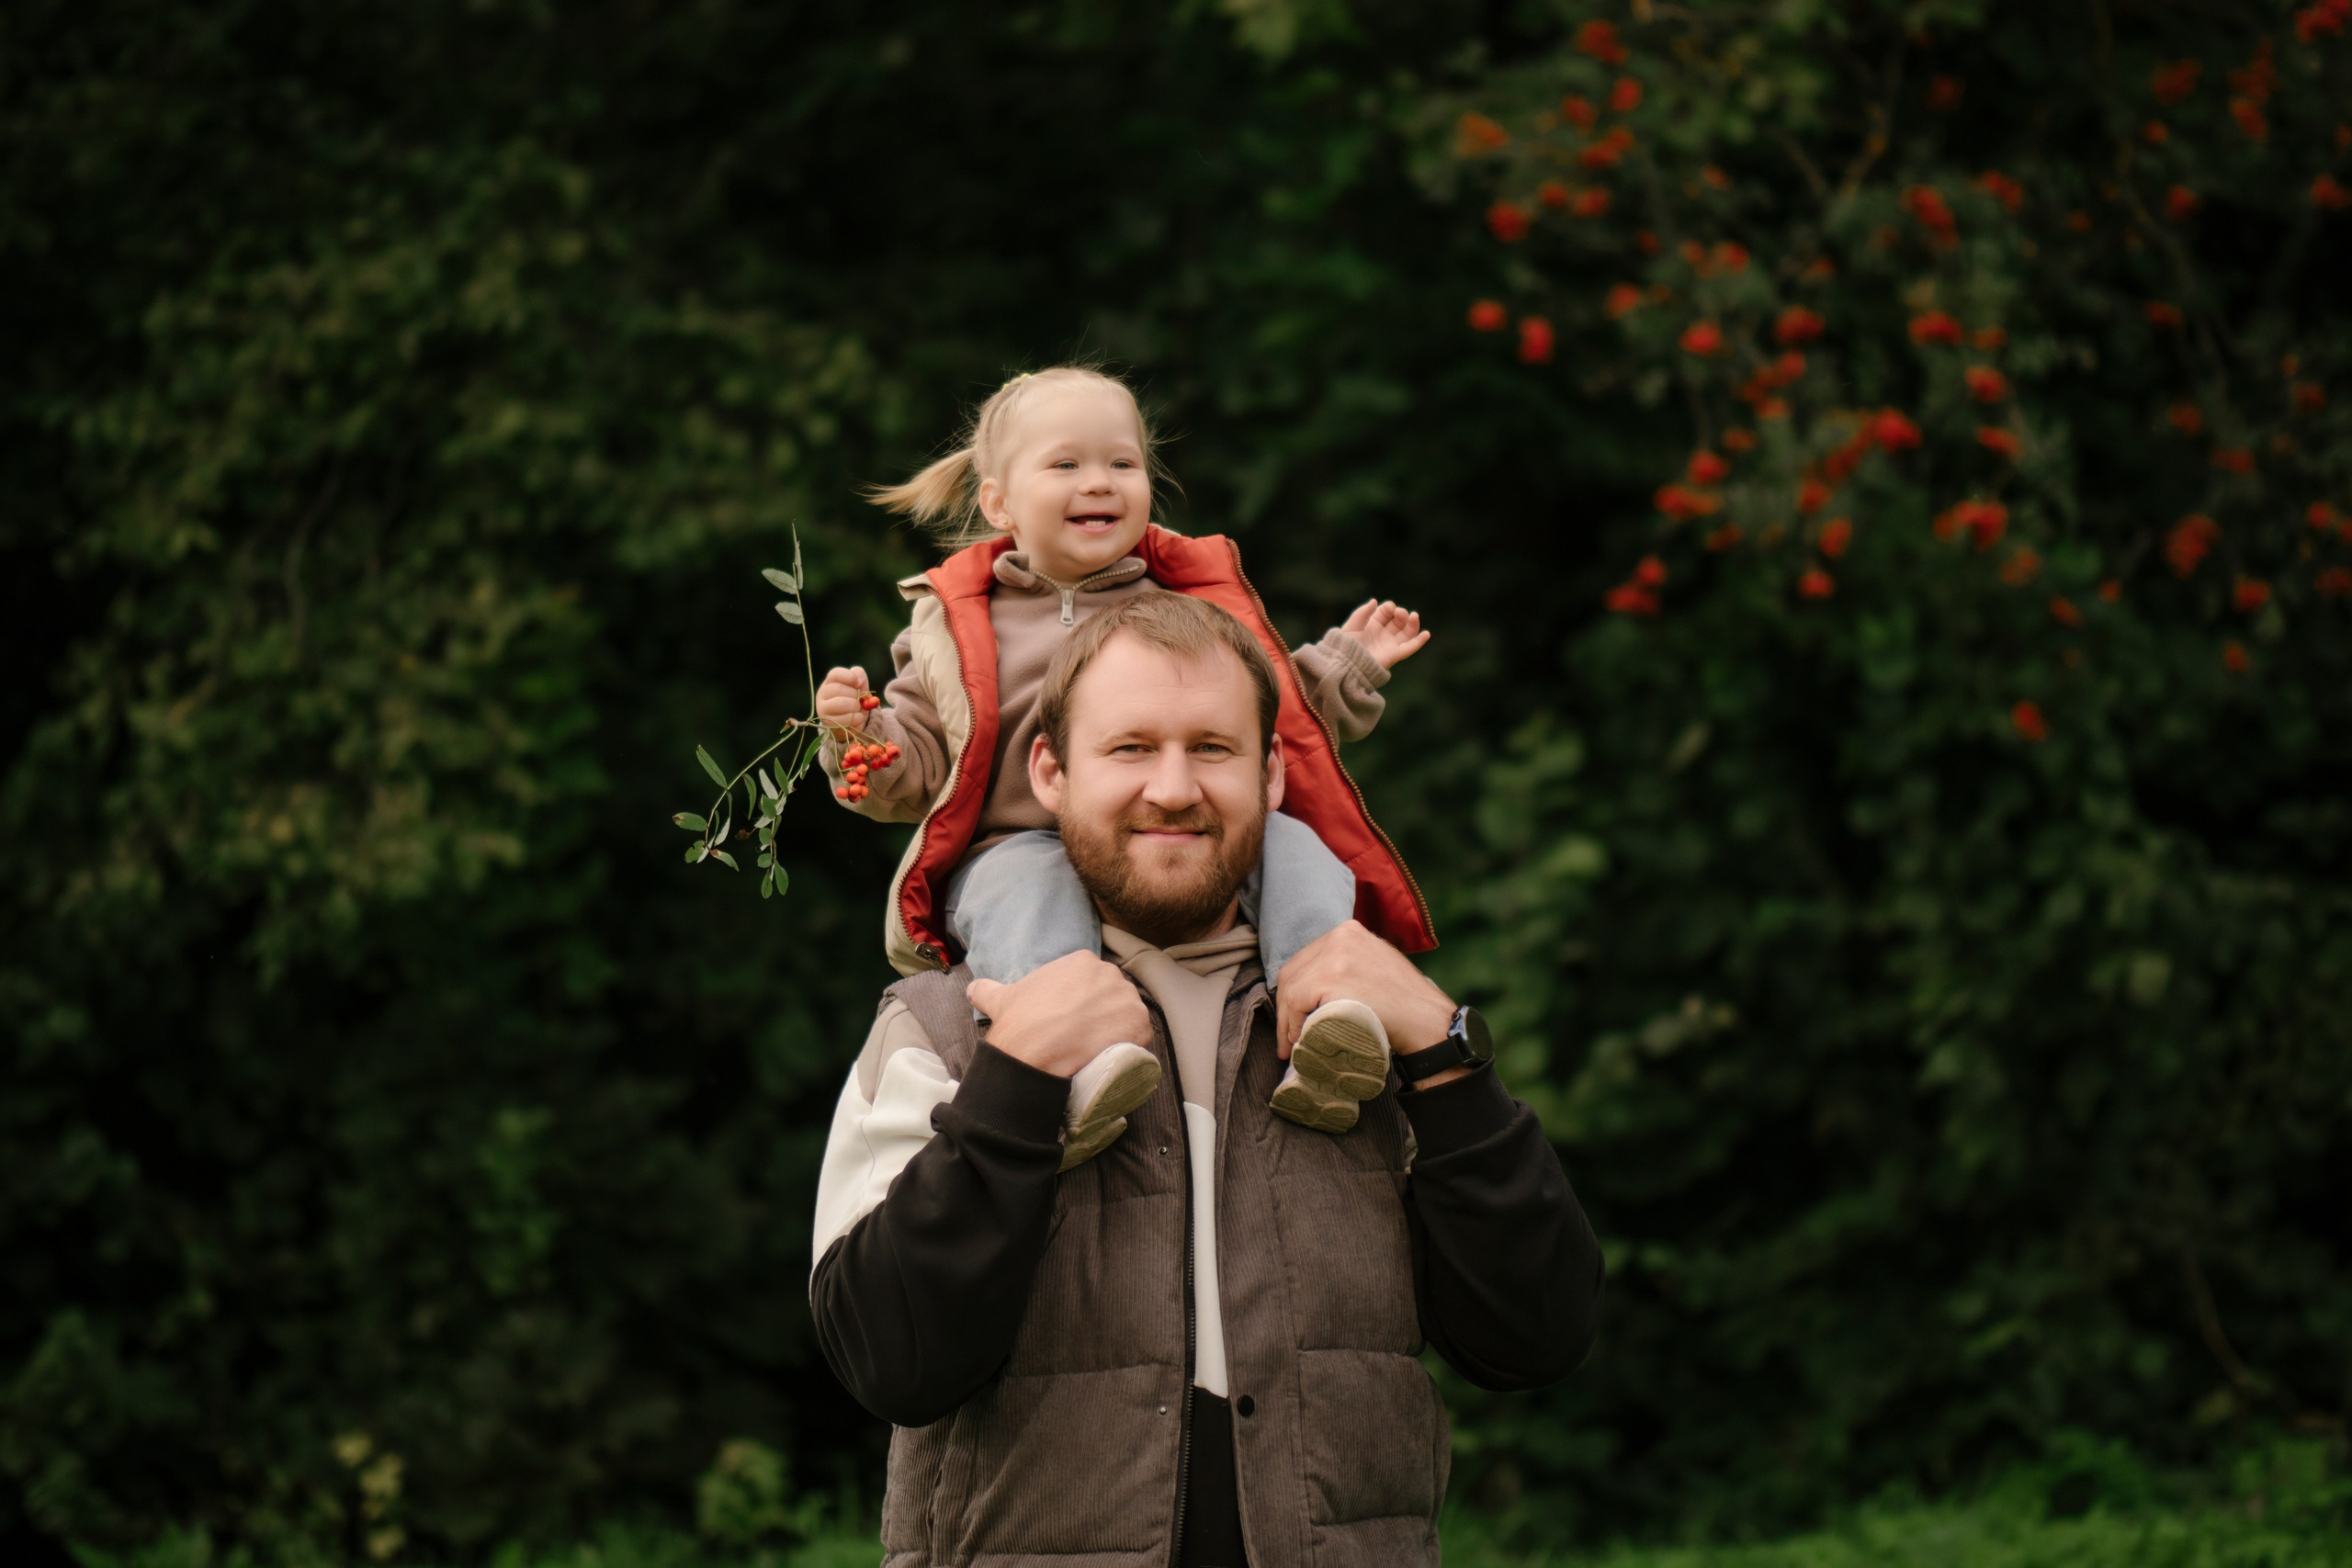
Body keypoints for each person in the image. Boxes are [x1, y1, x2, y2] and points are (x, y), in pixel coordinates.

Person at [810, 592, 1603, 1568]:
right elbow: (887, 1360)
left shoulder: (1372, 1027)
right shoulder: (936, 1031)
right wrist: (1013, 1082)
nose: (1175, 788)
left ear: (1271, 773)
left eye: (1214, 749)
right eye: (1131, 748)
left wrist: (1447, 1059)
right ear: (1050, 771)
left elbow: (1536, 1337)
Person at [816, 364, 1434, 1163]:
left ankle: (1327, 1015)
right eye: (1066, 464)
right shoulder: (954, 627)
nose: (1099, 482)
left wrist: (1349, 662)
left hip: (1176, 832)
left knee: (1297, 848)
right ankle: (1076, 1063)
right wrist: (858, 735)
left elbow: (1264, 708)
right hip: (1019, 842)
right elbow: (917, 767)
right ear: (999, 502)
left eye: (1123, 462)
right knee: (1018, 894)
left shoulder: (1180, 606)